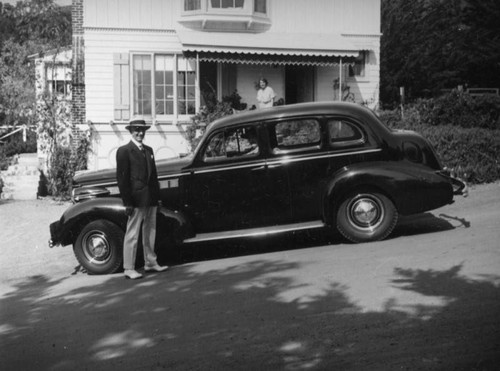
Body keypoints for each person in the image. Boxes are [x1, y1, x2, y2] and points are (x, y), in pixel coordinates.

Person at [116, 119, 168, 279]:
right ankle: (129, 268)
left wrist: (157, 198)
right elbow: (122, 179)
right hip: (136, 200)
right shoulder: (124, 151)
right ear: (130, 131)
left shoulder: (149, 150)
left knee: (150, 230)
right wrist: (128, 203)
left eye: (142, 130)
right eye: (136, 130)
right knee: (132, 233)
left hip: (151, 197)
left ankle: (150, 262)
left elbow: (154, 177)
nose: (140, 133)